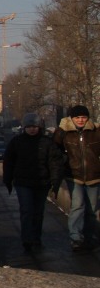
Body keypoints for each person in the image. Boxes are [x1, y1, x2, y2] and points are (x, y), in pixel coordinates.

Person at [2, 113, 64, 252]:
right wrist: (8, 179)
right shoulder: (17, 142)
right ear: (24, 127)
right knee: (26, 210)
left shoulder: (47, 142)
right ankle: (27, 239)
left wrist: (55, 182)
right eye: (29, 127)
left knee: (38, 212)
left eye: (34, 126)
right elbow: (9, 162)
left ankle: (36, 237)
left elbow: (55, 162)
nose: (32, 129)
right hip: (23, 183)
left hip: (41, 183)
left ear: (39, 127)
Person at [52, 104, 100, 251]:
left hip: (94, 175)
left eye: (83, 117)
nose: (80, 120)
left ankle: (91, 237)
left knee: (93, 209)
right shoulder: (64, 132)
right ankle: (76, 238)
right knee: (77, 206)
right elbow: (54, 151)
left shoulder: (95, 131)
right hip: (74, 175)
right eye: (77, 117)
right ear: (72, 118)